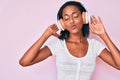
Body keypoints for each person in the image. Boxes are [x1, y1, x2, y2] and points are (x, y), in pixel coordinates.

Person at [19, 1, 120, 80]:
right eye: (66, 18)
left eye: (75, 16)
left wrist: (104, 35)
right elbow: (24, 62)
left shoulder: (95, 46)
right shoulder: (58, 45)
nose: (71, 21)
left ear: (84, 18)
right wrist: (45, 35)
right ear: (62, 23)